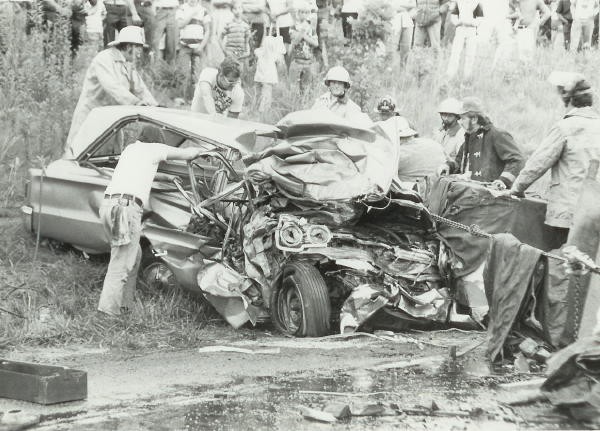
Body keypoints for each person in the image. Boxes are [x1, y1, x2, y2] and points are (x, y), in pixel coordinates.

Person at [97, 141, 204, 317]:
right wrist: (203, 151)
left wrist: (166, 178)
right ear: (154, 140)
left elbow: (138, 173)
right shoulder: (154, 148)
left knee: (135, 255)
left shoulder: (131, 149)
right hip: (125, 210)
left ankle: (125, 307)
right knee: (120, 264)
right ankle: (108, 314)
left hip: (109, 207)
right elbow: (188, 154)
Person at [511, 72, 600, 245]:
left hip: (568, 213)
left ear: (569, 100)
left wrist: (516, 188)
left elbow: (538, 163)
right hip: (595, 212)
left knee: (562, 260)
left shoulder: (565, 127)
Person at [65, 26, 157, 154]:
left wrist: (156, 107)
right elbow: (112, 87)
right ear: (129, 46)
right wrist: (135, 103)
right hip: (90, 119)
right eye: (138, 47)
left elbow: (140, 89)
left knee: (109, 161)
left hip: (111, 121)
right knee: (79, 157)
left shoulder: (128, 64)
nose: (139, 52)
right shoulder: (103, 59)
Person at [439, 97, 525, 190]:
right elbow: (459, 162)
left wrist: (503, 181)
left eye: (463, 118)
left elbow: (517, 160)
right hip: (470, 194)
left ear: (474, 119)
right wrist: (448, 166)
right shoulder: (469, 138)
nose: (460, 122)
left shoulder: (496, 135)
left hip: (491, 197)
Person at [446, 0, 484, 79]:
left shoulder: (477, 3)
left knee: (470, 55)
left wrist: (471, 22)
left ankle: (467, 76)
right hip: (460, 29)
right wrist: (459, 22)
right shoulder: (458, 2)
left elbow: (480, 19)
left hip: (472, 30)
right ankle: (450, 75)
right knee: (455, 53)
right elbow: (453, 17)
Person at [288, 2, 319, 93]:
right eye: (302, 12)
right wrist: (302, 31)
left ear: (309, 14)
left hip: (308, 62)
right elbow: (295, 41)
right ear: (298, 13)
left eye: (306, 12)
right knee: (294, 86)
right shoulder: (293, 27)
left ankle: (304, 103)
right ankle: (294, 103)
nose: (304, 15)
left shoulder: (311, 28)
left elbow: (316, 43)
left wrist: (304, 36)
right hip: (297, 61)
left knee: (306, 86)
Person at [177, 0, 211, 81]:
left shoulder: (203, 10)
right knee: (183, 74)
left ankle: (195, 92)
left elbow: (207, 31)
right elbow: (180, 24)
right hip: (185, 46)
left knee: (197, 76)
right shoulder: (182, 8)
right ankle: (184, 92)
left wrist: (201, 46)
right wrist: (192, 14)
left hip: (198, 47)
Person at [205, 0, 234, 67]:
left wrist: (227, 3)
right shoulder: (215, 13)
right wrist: (223, 3)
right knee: (214, 39)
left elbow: (231, 3)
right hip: (216, 12)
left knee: (226, 38)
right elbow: (214, 2)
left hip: (228, 13)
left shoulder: (230, 14)